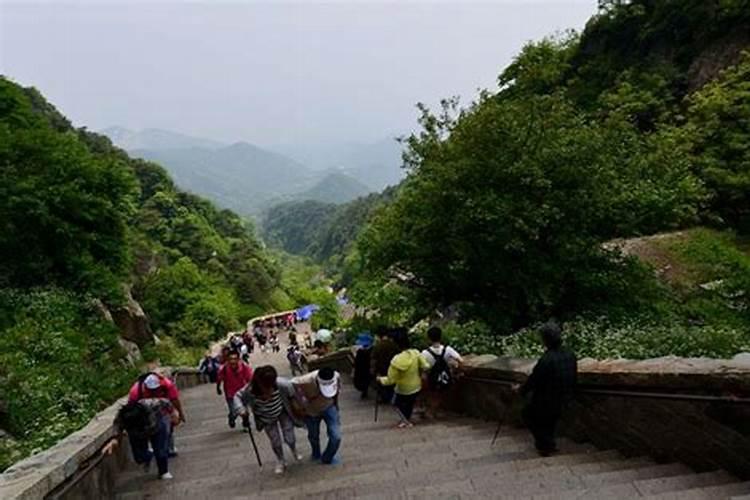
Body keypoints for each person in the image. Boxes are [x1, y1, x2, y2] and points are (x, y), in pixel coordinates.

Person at [103, 372, 185, 480]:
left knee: (161, 451)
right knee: (139, 457)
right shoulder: (128, 410)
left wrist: (175, 414)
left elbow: (170, 403)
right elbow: (118, 426)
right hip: (137, 433)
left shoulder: (155, 403)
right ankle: (149, 456)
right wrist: (115, 440)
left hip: (156, 427)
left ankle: (163, 471)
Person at [516, 322, 577, 457]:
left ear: (545, 340)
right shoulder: (570, 354)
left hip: (548, 401)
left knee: (527, 414)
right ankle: (548, 442)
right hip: (567, 397)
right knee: (549, 417)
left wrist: (519, 390)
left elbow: (533, 381)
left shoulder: (546, 360)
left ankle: (545, 444)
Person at [234, 365, 304, 474]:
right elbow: (237, 396)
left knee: (289, 436)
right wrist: (241, 410)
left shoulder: (282, 384)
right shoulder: (250, 389)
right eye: (265, 387)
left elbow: (293, 393)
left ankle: (293, 449)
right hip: (266, 417)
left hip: (282, 412)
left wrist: (298, 406)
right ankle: (281, 460)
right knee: (275, 441)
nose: (269, 390)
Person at [378, 329, 430, 428]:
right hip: (416, 386)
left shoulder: (396, 360)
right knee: (409, 403)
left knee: (395, 403)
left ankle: (406, 421)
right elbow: (426, 366)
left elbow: (390, 380)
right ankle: (407, 419)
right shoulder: (416, 353)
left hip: (402, 389)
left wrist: (380, 379)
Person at [292, 367, 342, 464]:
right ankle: (316, 453)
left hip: (329, 407)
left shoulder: (336, 376)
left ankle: (327, 457)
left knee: (336, 436)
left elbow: (336, 391)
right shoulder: (305, 380)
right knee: (313, 435)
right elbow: (293, 384)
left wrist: (336, 405)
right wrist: (300, 404)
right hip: (311, 411)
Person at [420, 326, 463, 418]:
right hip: (444, 377)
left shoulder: (425, 353)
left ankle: (430, 412)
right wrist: (457, 371)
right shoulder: (448, 350)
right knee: (441, 394)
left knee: (432, 395)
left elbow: (422, 368)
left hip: (431, 378)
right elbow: (460, 360)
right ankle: (436, 411)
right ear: (440, 337)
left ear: (428, 338)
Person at [216, 351, 253, 429]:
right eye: (231, 359)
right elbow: (219, 379)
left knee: (244, 409)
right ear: (228, 360)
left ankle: (245, 423)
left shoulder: (244, 366)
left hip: (242, 392)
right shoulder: (224, 368)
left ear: (238, 359)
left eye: (235, 359)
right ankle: (232, 417)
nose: (233, 361)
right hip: (230, 393)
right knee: (234, 410)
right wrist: (218, 388)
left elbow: (250, 378)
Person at [370, 326, 399, 404]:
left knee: (382, 385)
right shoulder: (394, 345)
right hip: (392, 368)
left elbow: (374, 359)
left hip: (381, 369)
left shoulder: (377, 346)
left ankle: (384, 398)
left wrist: (372, 370)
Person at [353, 333, 373, 400]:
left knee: (362, 380)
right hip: (367, 368)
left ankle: (364, 391)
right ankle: (365, 391)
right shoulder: (370, 351)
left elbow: (356, 362)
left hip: (361, 369)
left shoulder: (360, 352)